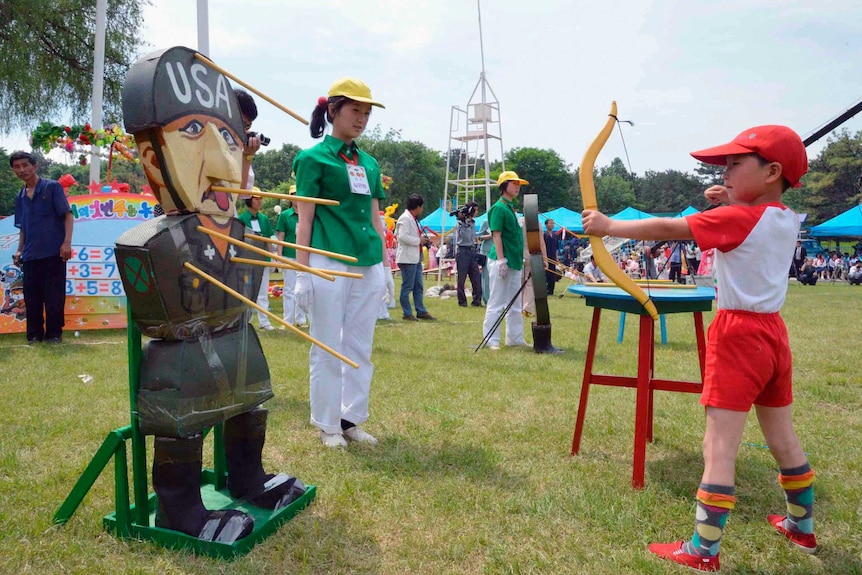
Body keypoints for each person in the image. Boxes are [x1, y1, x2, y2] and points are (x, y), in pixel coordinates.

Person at [583, 124, 816, 572]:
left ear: (771, 171)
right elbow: (756, 222)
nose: (724, 172)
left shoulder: (737, 218)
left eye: (734, 164)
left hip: (737, 334)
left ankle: (702, 550)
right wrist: (735, 198)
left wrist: (610, 225)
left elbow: (674, 226)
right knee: (783, 438)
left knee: (718, 446)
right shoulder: (785, 218)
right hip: (773, 336)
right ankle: (800, 527)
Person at [117, 46, 306, 543]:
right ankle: (179, 507)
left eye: (230, 137)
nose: (224, 156)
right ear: (153, 160)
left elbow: (244, 289)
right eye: (194, 132)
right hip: (183, 353)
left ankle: (247, 477)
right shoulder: (152, 243)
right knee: (182, 422)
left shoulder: (245, 234)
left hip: (236, 338)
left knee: (250, 403)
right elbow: (154, 314)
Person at [293, 78, 391, 448]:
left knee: (359, 346)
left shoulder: (369, 162)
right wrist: (301, 272)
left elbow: (376, 216)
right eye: (355, 111)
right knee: (327, 345)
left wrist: (385, 267)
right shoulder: (312, 159)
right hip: (329, 261)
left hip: (367, 262)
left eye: (366, 112)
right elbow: (305, 219)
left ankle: (351, 418)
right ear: (333, 110)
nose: (362, 118)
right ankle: (328, 423)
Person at [11, 151, 73, 344]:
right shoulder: (20, 196)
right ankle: (34, 335)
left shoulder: (52, 187)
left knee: (54, 297)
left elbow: (68, 216)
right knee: (32, 299)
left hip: (53, 252)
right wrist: (19, 250)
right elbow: (23, 227)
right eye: (17, 167)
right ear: (14, 170)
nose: (22, 170)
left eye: (25, 165)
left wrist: (66, 243)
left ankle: (54, 335)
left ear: (34, 166)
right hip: (29, 256)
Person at [481, 171, 528, 350]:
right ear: (503, 186)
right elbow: (497, 236)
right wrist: (501, 260)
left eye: (518, 184)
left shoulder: (510, 208)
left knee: (515, 303)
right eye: (513, 183)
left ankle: (515, 337)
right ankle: (491, 339)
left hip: (514, 262)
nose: (517, 187)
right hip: (502, 261)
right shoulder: (498, 208)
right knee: (496, 301)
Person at [238, 192, 275, 330]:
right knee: (246, 291)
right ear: (249, 200)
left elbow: (268, 240)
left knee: (263, 291)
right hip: (247, 260)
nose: (260, 201)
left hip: (262, 259)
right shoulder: (241, 218)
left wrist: (272, 257)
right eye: (256, 199)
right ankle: (245, 321)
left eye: (261, 199)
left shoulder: (264, 219)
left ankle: (264, 322)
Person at [395, 194, 434, 321]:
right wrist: (419, 241)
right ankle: (407, 313)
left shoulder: (414, 219)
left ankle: (420, 310)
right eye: (421, 206)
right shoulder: (405, 218)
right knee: (407, 287)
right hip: (407, 258)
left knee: (418, 286)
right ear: (417, 207)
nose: (422, 209)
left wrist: (423, 241)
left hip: (415, 257)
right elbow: (402, 236)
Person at [275, 195, 308, 327]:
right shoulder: (284, 216)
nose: (296, 198)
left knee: (302, 288)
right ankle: (287, 320)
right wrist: (279, 256)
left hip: (303, 256)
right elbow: (280, 237)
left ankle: (301, 319)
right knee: (289, 289)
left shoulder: (307, 214)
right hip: (289, 255)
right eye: (293, 196)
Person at [454, 202, 483, 307]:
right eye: (475, 210)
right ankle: (462, 301)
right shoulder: (460, 223)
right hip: (462, 251)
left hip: (471, 251)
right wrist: (463, 220)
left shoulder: (473, 222)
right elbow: (463, 235)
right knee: (461, 278)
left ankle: (477, 300)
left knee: (476, 277)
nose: (476, 212)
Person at [477, 218, 493, 304]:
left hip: (498, 251)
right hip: (486, 251)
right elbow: (479, 237)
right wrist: (491, 235)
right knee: (486, 277)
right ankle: (487, 299)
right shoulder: (486, 222)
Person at [543, 219, 560, 295]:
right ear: (546, 225)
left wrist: (556, 258)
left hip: (553, 257)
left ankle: (551, 290)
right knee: (546, 274)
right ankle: (545, 289)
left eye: (553, 223)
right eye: (550, 223)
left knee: (553, 274)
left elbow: (556, 248)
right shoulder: (544, 235)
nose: (552, 225)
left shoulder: (555, 235)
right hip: (546, 257)